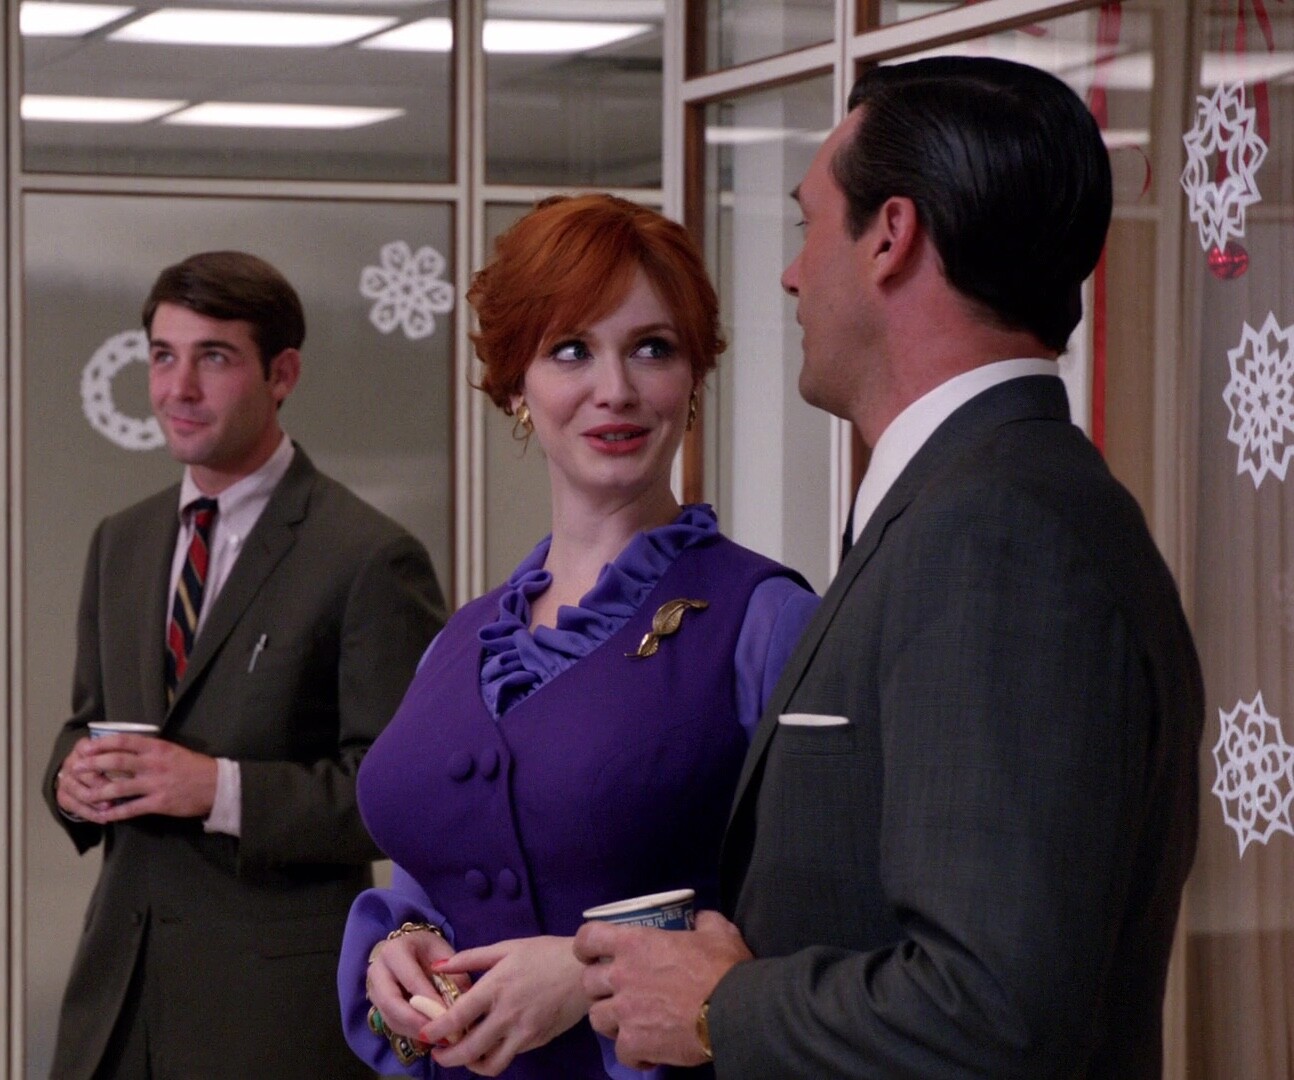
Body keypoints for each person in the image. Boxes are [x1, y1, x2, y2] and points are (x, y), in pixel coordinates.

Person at [575, 56, 1205, 1079]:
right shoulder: (978, 501)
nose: (791, 273)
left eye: (807, 224)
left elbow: (992, 1009)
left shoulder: (998, 532)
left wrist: (722, 1008)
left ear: (891, 236)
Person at [336, 193, 819, 1079]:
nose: (616, 389)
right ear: (516, 383)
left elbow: (820, 930)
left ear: (694, 378)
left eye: (653, 348)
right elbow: (425, 883)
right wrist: (394, 956)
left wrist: (588, 972)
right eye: (571, 349)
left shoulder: (764, 619)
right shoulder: (460, 640)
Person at [44, 250, 446, 1080]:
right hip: (115, 1007)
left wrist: (219, 789)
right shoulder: (121, 541)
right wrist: (70, 779)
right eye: (163, 356)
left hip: (271, 1022)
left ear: (282, 373)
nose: (178, 388)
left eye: (214, 358)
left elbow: (401, 800)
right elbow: (85, 723)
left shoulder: (369, 558)